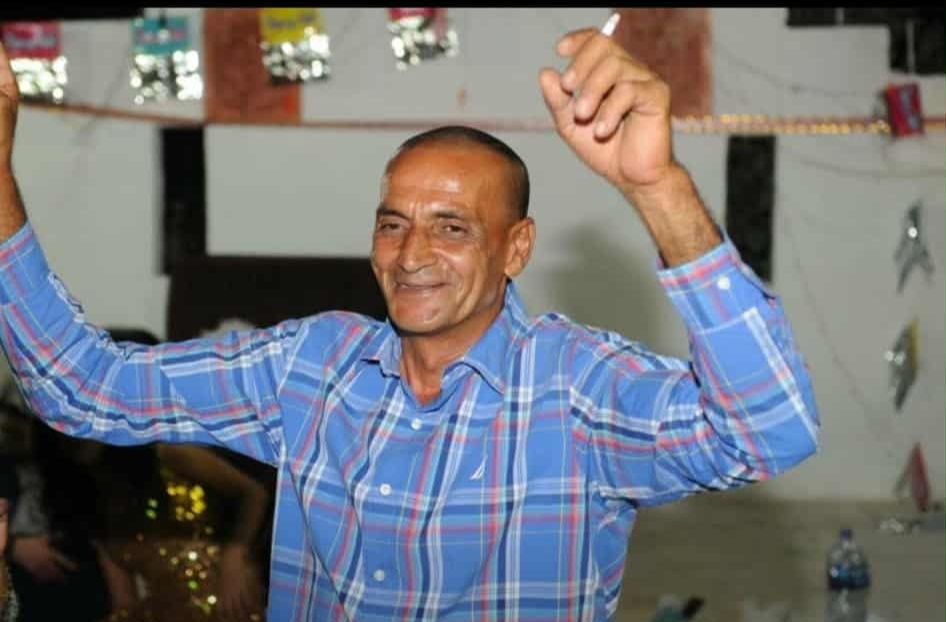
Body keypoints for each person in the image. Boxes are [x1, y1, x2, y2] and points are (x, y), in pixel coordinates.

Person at [0, 19, 820, 622]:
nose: (412, 253)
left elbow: (769, 431)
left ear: (517, 248)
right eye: (393, 223)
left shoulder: (575, 388)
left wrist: (656, 186)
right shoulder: (313, 366)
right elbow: (83, 388)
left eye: (452, 227)